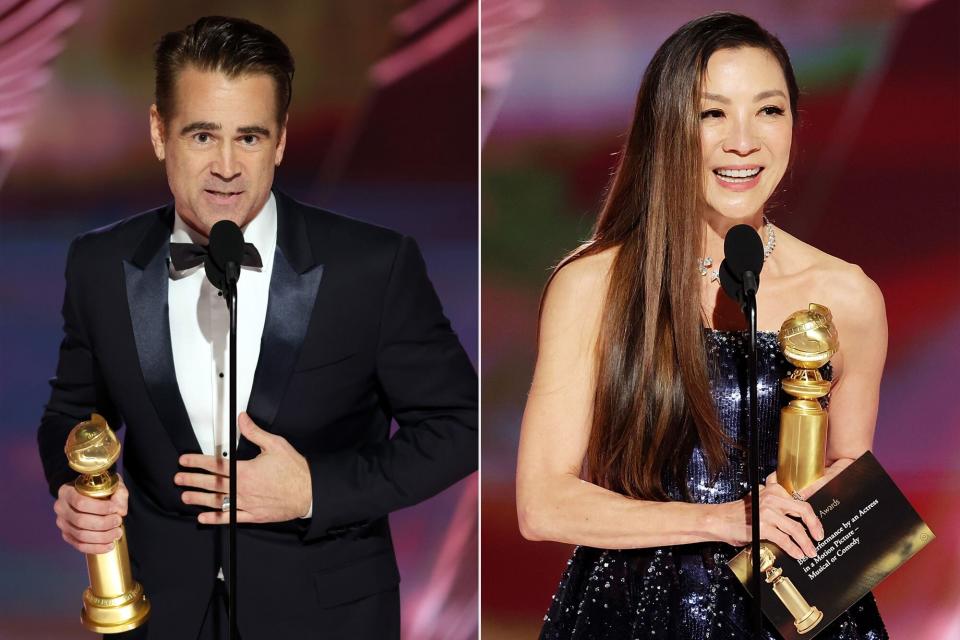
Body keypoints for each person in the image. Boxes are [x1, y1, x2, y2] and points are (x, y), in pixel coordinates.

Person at [37, 15, 477, 640]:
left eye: (248, 137)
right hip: (156, 614)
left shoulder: (372, 266)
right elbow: (72, 415)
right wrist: (75, 489)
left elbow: (461, 428)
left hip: (328, 617)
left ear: (281, 141)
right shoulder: (99, 263)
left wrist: (314, 491)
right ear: (159, 132)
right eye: (201, 135)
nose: (226, 166)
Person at [515, 12, 888, 639]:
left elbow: (848, 472)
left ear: (795, 122)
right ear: (667, 128)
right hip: (633, 614)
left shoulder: (847, 296)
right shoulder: (594, 286)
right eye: (712, 113)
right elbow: (542, 503)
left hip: (792, 613)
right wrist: (722, 520)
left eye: (768, 111)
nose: (743, 141)